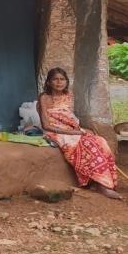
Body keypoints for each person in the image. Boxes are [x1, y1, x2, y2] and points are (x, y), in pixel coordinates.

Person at [38, 67, 121, 200]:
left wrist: (81, 130)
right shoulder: (44, 98)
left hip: (72, 131)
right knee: (88, 144)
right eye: (55, 79)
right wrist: (74, 133)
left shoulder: (68, 97)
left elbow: (70, 120)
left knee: (100, 141)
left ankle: (99, 181)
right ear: (48, 82)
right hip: (57, 132)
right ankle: (102, 186)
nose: (59, 82)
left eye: (62, 79)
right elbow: (46, 125)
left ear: (66, 82)